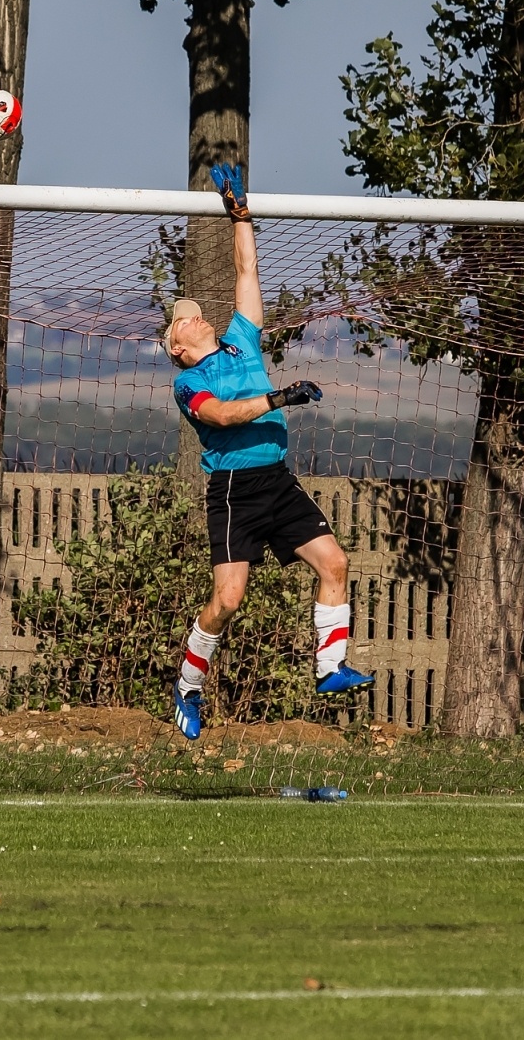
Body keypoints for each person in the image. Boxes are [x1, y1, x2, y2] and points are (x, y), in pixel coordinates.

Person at [164, 163, 374, 741]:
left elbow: (246, 270)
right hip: (235, 493)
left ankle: (330, 668)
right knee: (228, 600)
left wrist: (241, 215)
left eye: (193, 311)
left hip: (277, 481)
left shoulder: (241, 339)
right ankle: (188, 685)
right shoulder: (188, 383)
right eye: (181, 321)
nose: (193, 315)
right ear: (177, 347)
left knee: (335, 564)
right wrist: (279, 398)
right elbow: (223, 416)